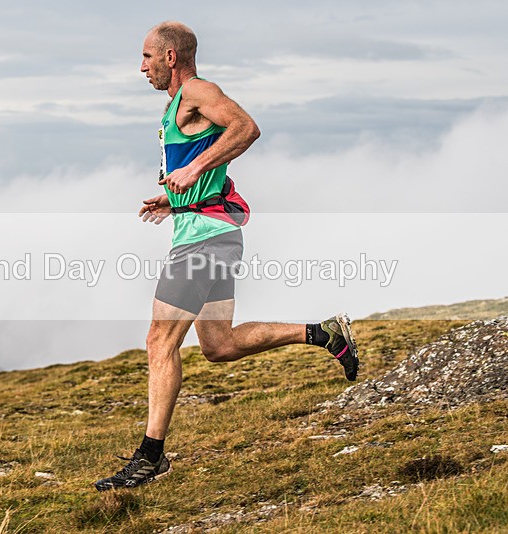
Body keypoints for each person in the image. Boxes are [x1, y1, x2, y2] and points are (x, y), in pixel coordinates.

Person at [94, 21, 358, 491]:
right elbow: (207, 173)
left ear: (170, 57)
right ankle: (323, 333)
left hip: (204, 240)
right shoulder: (177, 106)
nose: (142, 67)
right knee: (219, 346)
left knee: (159, 341)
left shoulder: (197, 91)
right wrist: (174, 198)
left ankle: (150, 457)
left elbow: (247, 128)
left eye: (147, 57)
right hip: (208, 231)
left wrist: (195, 168)